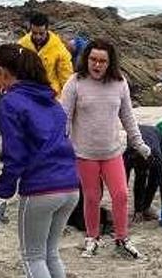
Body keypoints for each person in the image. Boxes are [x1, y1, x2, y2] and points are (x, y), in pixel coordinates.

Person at [0, 44, 79, 278]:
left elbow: (15, 154)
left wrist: (2, 194)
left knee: (32, 257)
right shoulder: (52, 102)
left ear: (4, 72)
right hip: (70, 185)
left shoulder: (12, 102)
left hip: (41, 188)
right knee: (51, 253)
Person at [61, 39, 151, 260]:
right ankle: (92, 238)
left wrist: (139, 143)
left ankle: (122, 238)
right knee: (92, 198)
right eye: (93, 59)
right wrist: (59, 148)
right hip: (84, 154)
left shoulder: (120, 83)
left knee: (121, 194)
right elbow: (63, 118)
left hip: (112, 152)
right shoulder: (75, 82)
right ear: (86, 59)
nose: (97, 65)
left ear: (110, 63)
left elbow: (128, 117)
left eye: (102, 61)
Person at [18, 13, 74, 95]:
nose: (38, 37)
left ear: (47, 30)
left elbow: (66, 75)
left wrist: (68, 97)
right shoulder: (21, 45)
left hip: (51, 93)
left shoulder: (59, 48)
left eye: (41, 33)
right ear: (30, 29)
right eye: (34, 33)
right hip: (28, 91)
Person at [125, 124, 162, 224]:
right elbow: (123, 179)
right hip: (137, 135)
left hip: (155, 136)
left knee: (154, 179)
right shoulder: (128, 154)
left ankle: (146, 207)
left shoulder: (156, 156)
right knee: (140, 178)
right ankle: (138, 210)